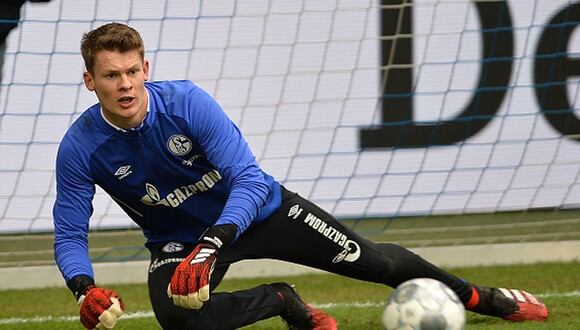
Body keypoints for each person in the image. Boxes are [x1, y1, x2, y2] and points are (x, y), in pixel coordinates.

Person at [53, 22, 549, 330]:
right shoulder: (79, 148)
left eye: (132, 72)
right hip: (181, 240)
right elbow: (71, 231)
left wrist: (214, 245)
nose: (125, 85)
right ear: (89, 81)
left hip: (259, 213)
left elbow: (247, 179)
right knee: (180, 319)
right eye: (111, 75)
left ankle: (481, 297)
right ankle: (281, 300)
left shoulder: (187, 104)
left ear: (146, 68)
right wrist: (83, 288)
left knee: (376, 263)